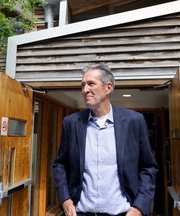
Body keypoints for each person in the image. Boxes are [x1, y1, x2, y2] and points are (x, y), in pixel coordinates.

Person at [53, 63, 158, 216]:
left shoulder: (134, 121)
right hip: (82, 212)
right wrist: (65, 200)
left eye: (91, 84)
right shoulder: (71, 123)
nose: (85, 90)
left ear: (108, 88)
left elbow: (148, 167)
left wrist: (139, 208)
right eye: (83, 85)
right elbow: (60, 164)